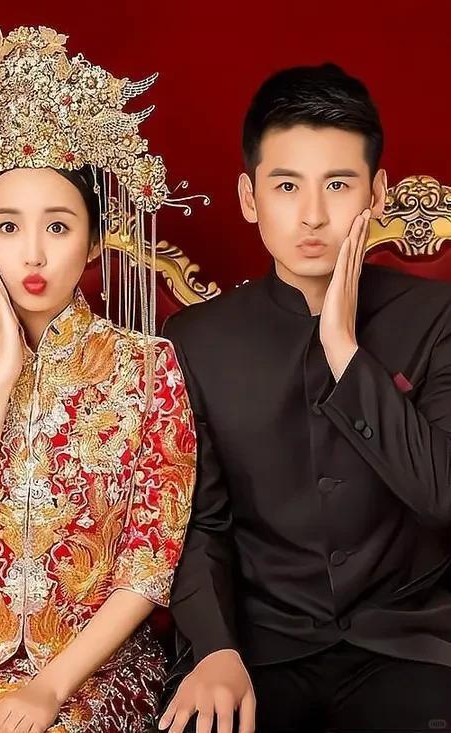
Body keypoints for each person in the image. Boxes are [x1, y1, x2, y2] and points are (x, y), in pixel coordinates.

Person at [0, 25, 196, 733]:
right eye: (8, 226)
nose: (32, 252)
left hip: (96, 668)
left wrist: (51, 686)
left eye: (58, 227)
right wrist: (1, 375)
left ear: (94, 242)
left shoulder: (148, 367)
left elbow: (149, 563)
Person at [160, 64, 451, 732]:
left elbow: (441, 494)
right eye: (286, 186)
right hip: (259, 647)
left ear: (377, 193)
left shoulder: (437, 318)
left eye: (338, 185)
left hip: (410, 643)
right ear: (249, 196)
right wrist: (214, 648)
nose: (313, 215)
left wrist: (344, 349)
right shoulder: (197, 338)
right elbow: (198, 522)